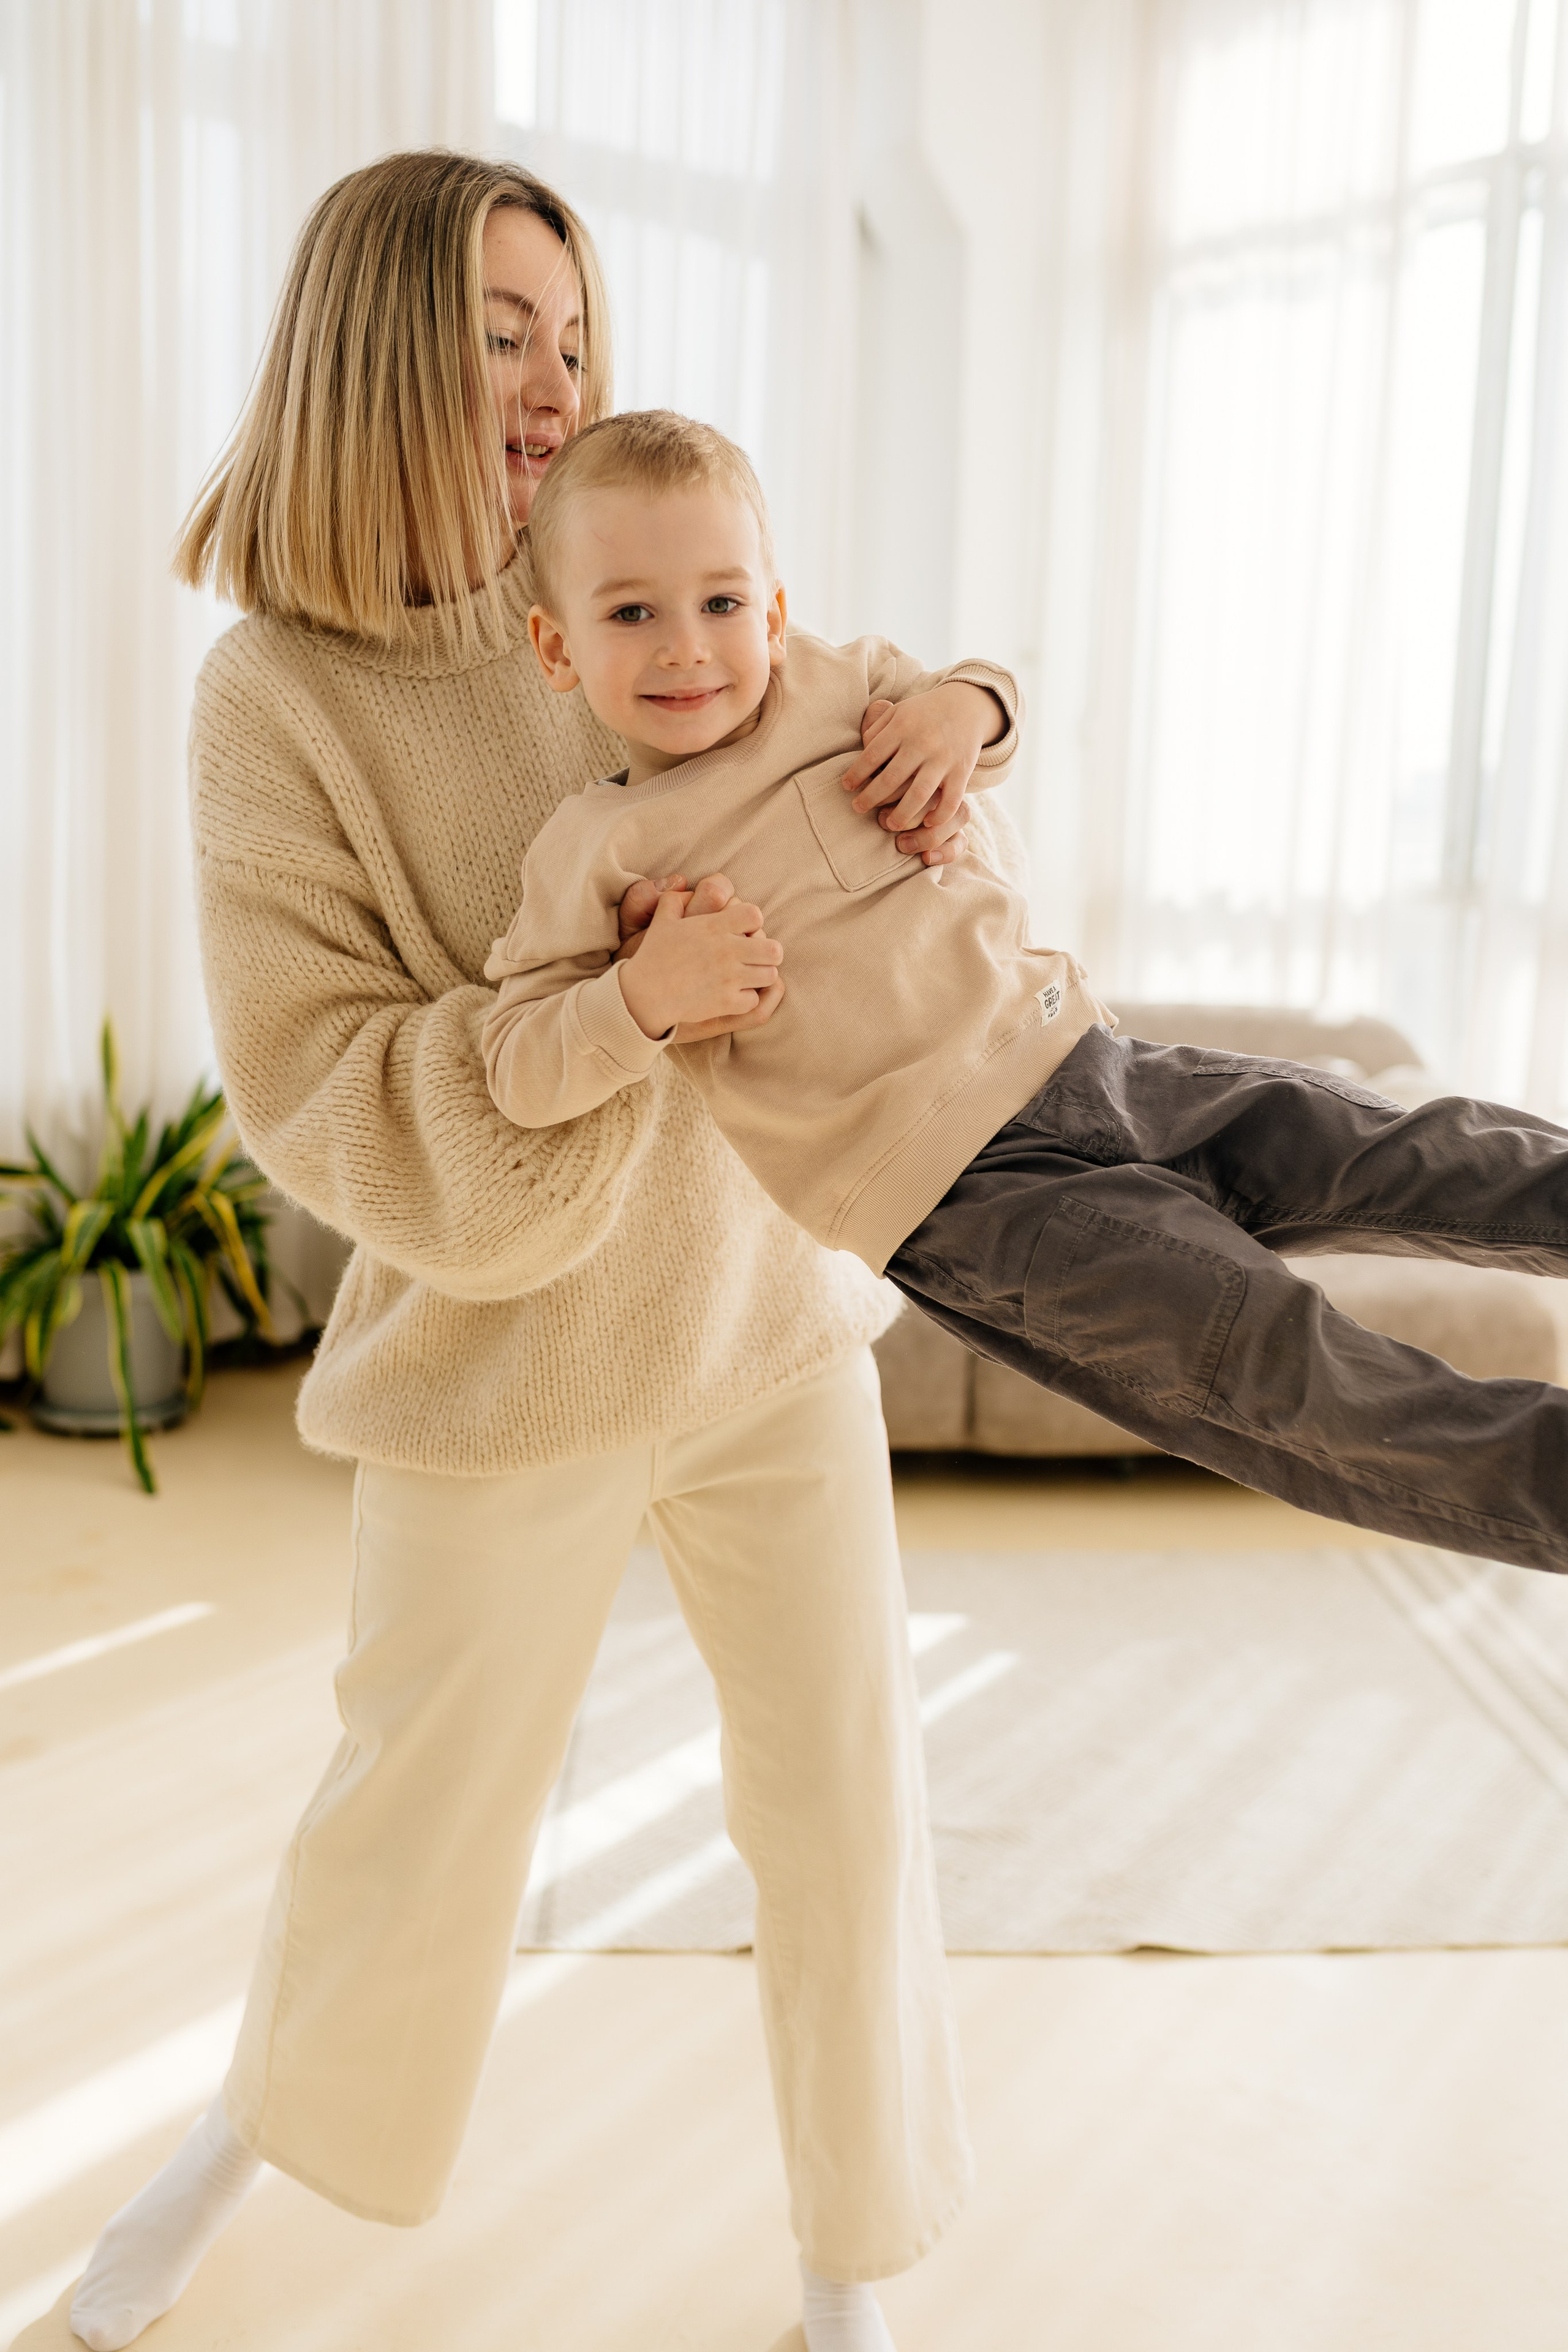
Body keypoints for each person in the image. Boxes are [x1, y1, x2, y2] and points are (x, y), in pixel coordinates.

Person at [69, 154, 995, 2352]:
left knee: (848, 1807)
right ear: (379, 338)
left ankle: (848, 2272)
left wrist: (967, 713)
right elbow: (319, 1081)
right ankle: (218, 2169)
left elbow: (831, 695)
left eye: (575, 335)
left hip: (763, 1311)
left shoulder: (622, 573)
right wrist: (614, 1023)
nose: (556, 379)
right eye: (507, 332)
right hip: (501, 1358)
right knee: (412, 1830)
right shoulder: (272, 703)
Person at [484, 407, 1568, 1578]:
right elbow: (518, 1064)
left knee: (1395, 1140)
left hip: (1092, 1059)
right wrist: (644, 996)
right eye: (632, 612)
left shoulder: (835, 682)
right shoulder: (595, 847)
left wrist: (964, 715)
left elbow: (982, 692)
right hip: (969, 1195)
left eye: (724, 603)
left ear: (776, 613)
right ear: (557, 651)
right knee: (1277, 1362)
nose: (687, 648)